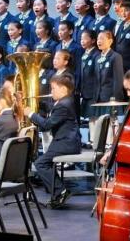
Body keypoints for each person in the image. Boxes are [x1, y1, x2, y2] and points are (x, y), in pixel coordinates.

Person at [25, 74, 81, 208]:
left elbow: (46, 125)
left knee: (40, 163)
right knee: (45, 163)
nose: (51, 92)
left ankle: (60, 191)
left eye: (53, 89)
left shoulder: (63, 105)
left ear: (63, 89)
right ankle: (58, 192)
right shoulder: (65, 102)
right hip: (65, 141)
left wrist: (31, 114)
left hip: (66, 143)